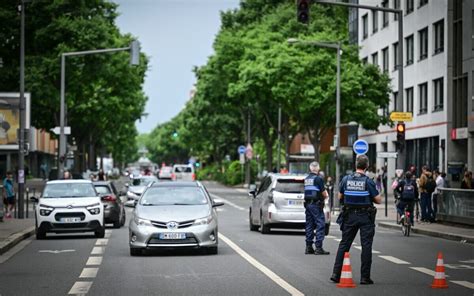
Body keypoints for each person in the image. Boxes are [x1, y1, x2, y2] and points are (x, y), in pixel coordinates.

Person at [331, 155, 382, 285]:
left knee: (344, 244)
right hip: (366, 217)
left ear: (355, 165)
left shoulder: (346, 179)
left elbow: (340, 195)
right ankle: (365, 277)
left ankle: (336, 274)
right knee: (366, 246)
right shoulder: (368, 181)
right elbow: (378, 200)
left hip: (349, 216)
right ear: (367, 166)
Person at [304, 161, 330, 255]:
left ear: (310, 169)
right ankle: (318, 247)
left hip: (308, 205)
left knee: (309, 225)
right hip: (316, 205)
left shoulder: (307, 179)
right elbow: (324, 193)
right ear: (318, 169)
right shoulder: (318, 179)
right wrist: (326, 197)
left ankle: (308, 247)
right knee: (320, 224)